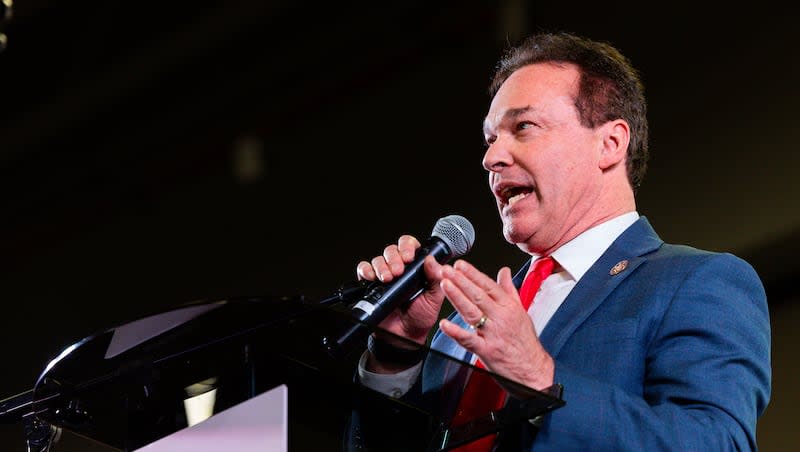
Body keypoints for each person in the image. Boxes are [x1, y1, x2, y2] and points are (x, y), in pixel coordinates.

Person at [351, 31, 771, 451]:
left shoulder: (696, 282)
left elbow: (717, 443)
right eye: (491, 139)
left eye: (524, 127)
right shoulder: (459, 330)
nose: (491, 158)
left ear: (610, 144)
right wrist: (397, 357)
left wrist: (539, 380)